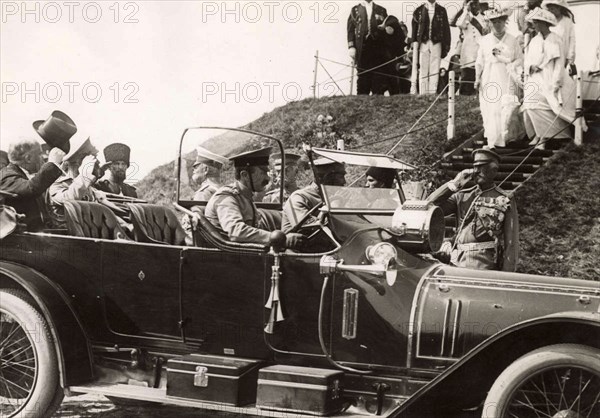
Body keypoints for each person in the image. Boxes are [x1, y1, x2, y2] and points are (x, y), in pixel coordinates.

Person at [427, 148, 519, 271]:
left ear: (494, 170)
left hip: (484, 265)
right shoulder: (462, 196)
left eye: (482, 167)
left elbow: (511, 243)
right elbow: (428, 206)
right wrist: (454, 184)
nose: (476, 171)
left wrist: (506, 277)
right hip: (455, 263)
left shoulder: (504, 199)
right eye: (475, 167)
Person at [205, 147, 304, 248]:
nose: (268, 178)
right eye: (263, 173)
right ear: (245, 175)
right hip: (230, 258)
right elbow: (236, 232)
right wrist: (281, 239)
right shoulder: (226, 197)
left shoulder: (245, 196)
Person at [0, 111, 76, 231]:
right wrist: (53, 164)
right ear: (28, 158)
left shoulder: (21, 175)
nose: (42, 158)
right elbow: (31, 188)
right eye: (39, 154)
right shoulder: (6, 176)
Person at [522, 7, 577, 149]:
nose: (535, 25)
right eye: (535, 22)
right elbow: (527, 60)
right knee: (530, 103)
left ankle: (552, 136)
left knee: (552, 104)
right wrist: (530, 67)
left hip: (551, 76)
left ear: (544, 23)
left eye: (538, 22)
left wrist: (556, 83)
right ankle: (540, 134)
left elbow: (559, 64)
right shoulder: (534, 41)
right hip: (535, 77)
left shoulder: (556, 40)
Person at [475, 5, 523, 148]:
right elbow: (479, 61)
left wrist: (513, 65)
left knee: (508, 105)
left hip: (507, 76)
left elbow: (520, 58)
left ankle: (510, 136)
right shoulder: (485, 40)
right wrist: (477, 78)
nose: (497, 24)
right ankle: (494, 139)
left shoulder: (512, 40)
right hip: (490, 76)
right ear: (490, 23)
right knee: (492, 106)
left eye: (500, 21)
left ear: (505, 22)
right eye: (494, 22)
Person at [47, 137, 105, 228]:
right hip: (67, 236)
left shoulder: (86, 184)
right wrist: (84, 174)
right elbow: (69, 200)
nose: (97, 162)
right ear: (78, 161)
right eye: (91, 158)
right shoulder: (56, 184)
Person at [281, 158, 346, 233]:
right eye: (341, 177)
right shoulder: (299, 197)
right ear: (326, 177)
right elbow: (308, 230)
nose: (344, 182)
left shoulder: (333, 197)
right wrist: (334, 205)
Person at [347, 0, 388, 95]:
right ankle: (361, 102)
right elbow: (350, 30)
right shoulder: (355, 10)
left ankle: (377, 101)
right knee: (362, 76)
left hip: (377, 48)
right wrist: (351, 47)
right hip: (362, 47)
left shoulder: (382, 10)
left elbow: (387, 31)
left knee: (378, 76)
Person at [411, 0, 451, 95]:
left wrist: (447, 44)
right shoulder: (419, 10)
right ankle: (423, 93)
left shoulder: (442, 10)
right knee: (423, 68)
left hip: (436, 42)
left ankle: (432, 93)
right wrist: (414, 42)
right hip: (423, 42)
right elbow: (414, 28)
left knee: (435, 68)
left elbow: (446, 29)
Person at [453, 0, 490, 95]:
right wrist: (465, 9)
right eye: (472, 4)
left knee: (481, 75)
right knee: (467, 77)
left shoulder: (484, 18)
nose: (475, 6)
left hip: (480, 50)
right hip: (468, 52)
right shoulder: (466, 17)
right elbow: (459, 23)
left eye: (476, 3)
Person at [542, 0, 576, 74]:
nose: (551, 11)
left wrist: (570, 58)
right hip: (549, 57)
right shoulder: (546, 22)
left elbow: (572, 40)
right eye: (549, 9)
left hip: (563, 56)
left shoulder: (567, 22)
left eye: (553, 9)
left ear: (559, 8)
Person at [378, 15, 406, 95]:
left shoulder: (398, 33)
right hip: (384, 61)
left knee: (393, 84)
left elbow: (400, 48)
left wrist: (387, 25)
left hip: (393, 60)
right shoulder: (383, 33)